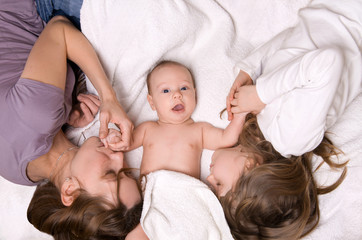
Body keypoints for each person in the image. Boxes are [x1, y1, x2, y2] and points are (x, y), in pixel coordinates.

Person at [207, 0, 361, 239]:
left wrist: (249, 70)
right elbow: (327, 62)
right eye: (219, 186)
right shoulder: (292, 139)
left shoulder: (268, 126)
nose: (209, 176)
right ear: (249, 168)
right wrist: (261, 94)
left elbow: (292, 45)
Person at [1, 0, 144, 238]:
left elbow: (59, 29)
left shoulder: (40, 116)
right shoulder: (24, 174)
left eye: (110, 173)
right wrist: (64, 117)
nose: (120, 157)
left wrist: (109, 97)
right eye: (126, 171)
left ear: (69, 190)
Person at [103, 60, 246, 179]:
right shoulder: (148, 129)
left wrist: (240, 113)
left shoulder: (199, 130)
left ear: (194, 95)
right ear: (152, 102)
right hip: (152, 194)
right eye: (166, 90)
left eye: (184, 88)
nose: (177, 94)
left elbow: (227, 139)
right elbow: (126, 143)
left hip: (184, 192)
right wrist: (114, 137)